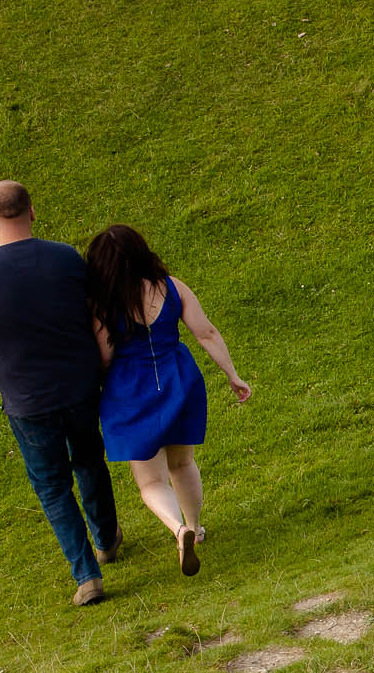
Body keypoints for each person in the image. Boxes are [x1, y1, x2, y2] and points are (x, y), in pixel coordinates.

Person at [0, 181, 122, 606]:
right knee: (89, 461)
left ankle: (87, 576)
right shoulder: (65, 257)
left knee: (51, 486)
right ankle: (106, 539)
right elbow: (97, 314)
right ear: (32, 210)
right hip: (81, 385)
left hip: (27, 401)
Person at [84, 224, 251, 577]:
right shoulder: (172, 287)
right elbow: (205, 332)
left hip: (131, 393)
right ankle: (196, 526)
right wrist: (232, 375)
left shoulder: (104, 304)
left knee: (151, 481)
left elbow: (103, 357)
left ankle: (178, 529)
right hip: (179, 380)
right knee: (182, 463)